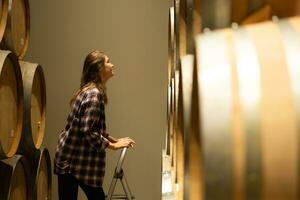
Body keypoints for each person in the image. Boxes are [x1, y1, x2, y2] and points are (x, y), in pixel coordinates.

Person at [54, 50, 135, 200]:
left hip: (75, 161)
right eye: (108, 61)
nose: (112, 64)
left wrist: (114, 140)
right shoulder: (94, 94)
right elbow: (88, 131)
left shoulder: (91, 91)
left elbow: (93, 128)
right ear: (99, 68)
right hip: (74, 163)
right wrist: (113, 146)